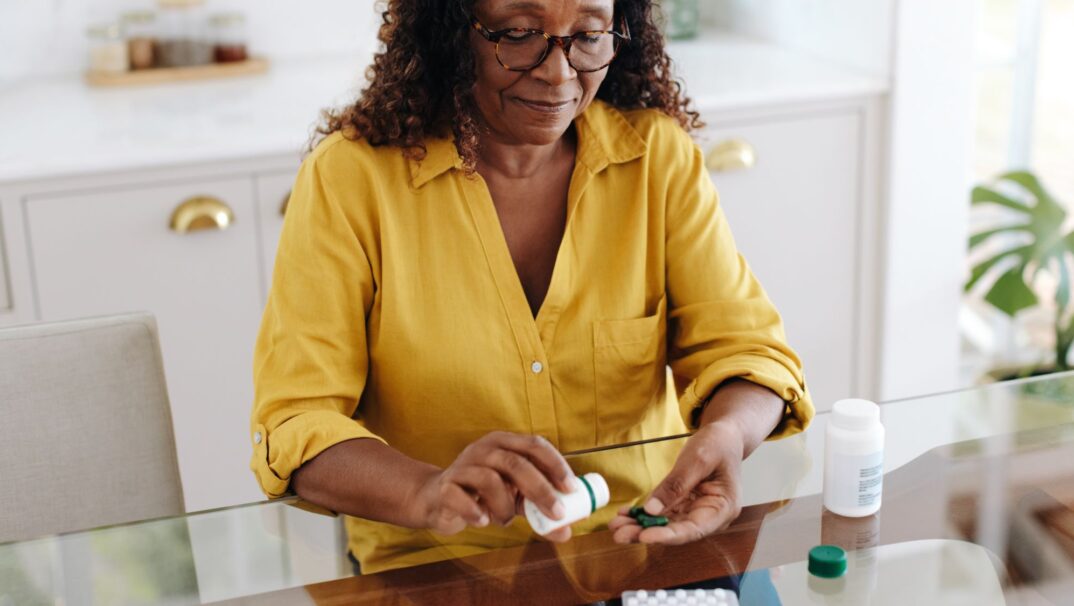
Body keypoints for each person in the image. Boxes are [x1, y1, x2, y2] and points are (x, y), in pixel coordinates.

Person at [250, 0, 813, 574]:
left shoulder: (656, 159)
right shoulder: (352, 178)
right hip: (436, 569)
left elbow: (748, 351)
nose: (558, 72)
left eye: (589, 35)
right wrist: (428, 490)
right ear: (449, 30)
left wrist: (726, 434)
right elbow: (297, 423)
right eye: (519, 34)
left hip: (639, 544)